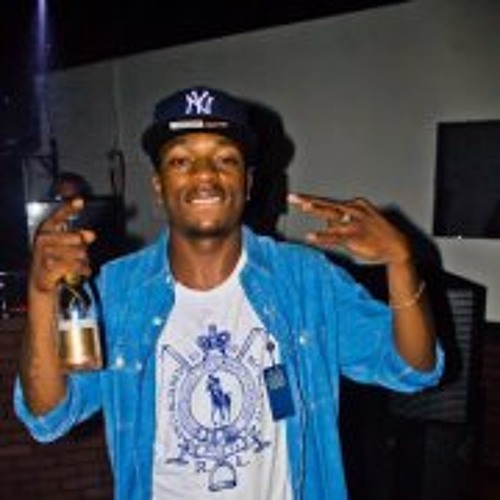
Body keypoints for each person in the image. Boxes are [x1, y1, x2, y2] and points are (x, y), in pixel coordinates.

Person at [14, 86, 444, 500]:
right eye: (181, 161)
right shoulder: (117, 292)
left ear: (248, 183)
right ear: (159, 186)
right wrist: (40, 294)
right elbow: (48, 416)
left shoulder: (305, 279)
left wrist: (401, 262)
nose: (204, 174)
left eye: (225, 159)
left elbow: (414, 369)